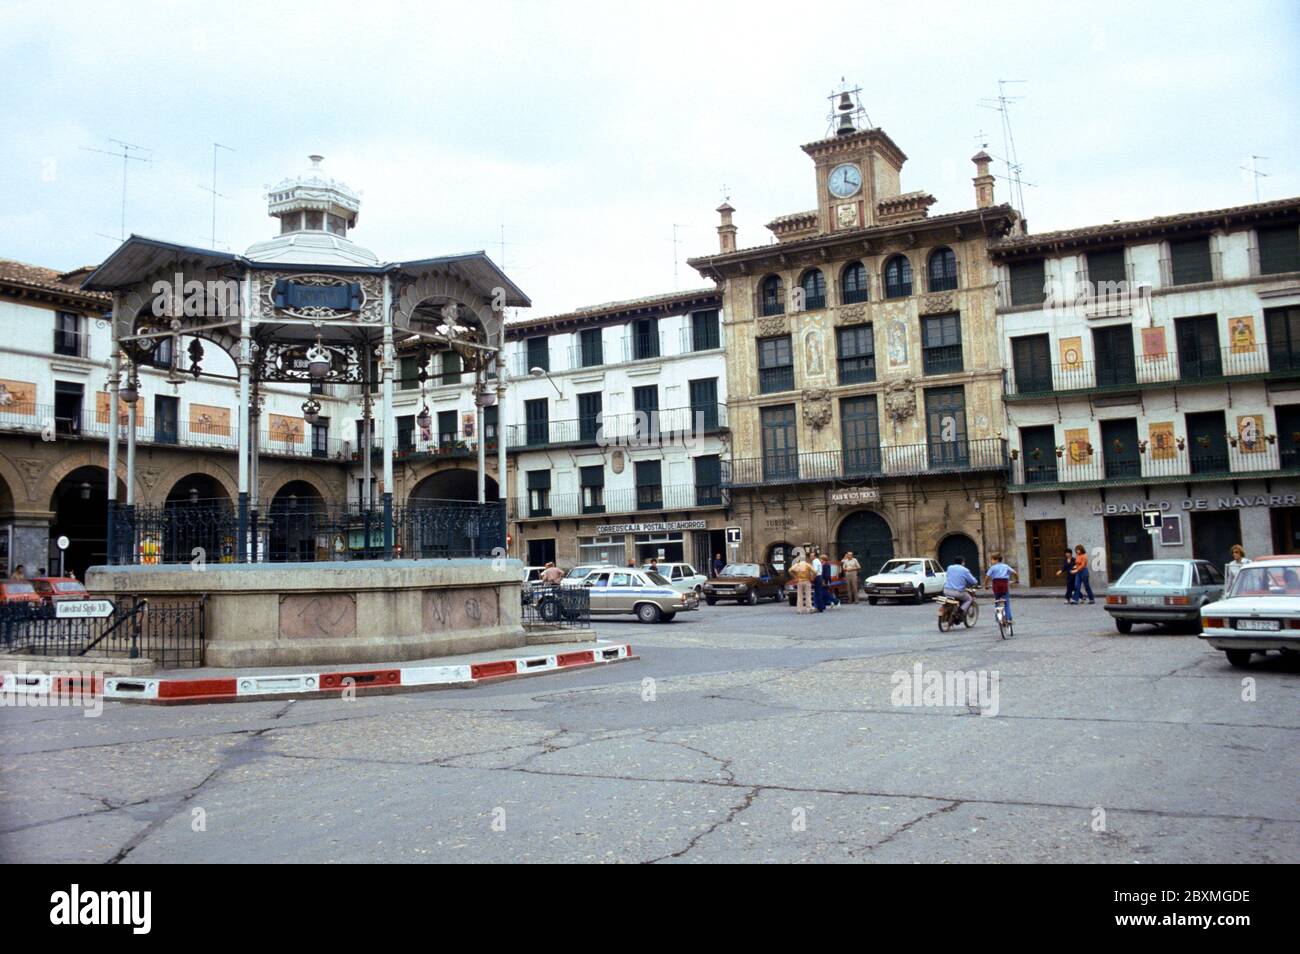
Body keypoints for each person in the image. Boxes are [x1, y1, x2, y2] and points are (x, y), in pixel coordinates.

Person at [984, 552, 1018, 621]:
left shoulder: (992, 568)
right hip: (1004, 585)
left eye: (992, 559)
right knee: (1006, 602)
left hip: (996, 585)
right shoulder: (1006, 566)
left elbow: (987, 577)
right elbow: (1015, 573)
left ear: (996, 560)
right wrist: (1016, 580)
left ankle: (998, 617)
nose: (991, 561)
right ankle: (1009, 618)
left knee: (997, 600)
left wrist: (986, 585)